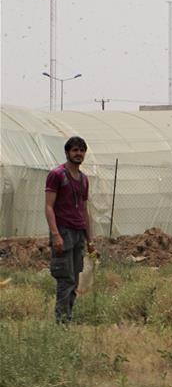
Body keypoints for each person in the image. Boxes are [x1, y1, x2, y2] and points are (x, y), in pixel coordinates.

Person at [44, 136, 96, 323]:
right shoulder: (57, 175)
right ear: (67, 152)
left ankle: (68, 319)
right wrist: (56, 234)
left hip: (78, 233)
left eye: (82, 150)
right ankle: (61, 323)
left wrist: (89, 240)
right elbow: (49, 206)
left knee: (74, 280)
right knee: (64, 279)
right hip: (63, 231)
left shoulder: (83, 179)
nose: (78, 153)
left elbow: (83, 210)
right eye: (75, 150)